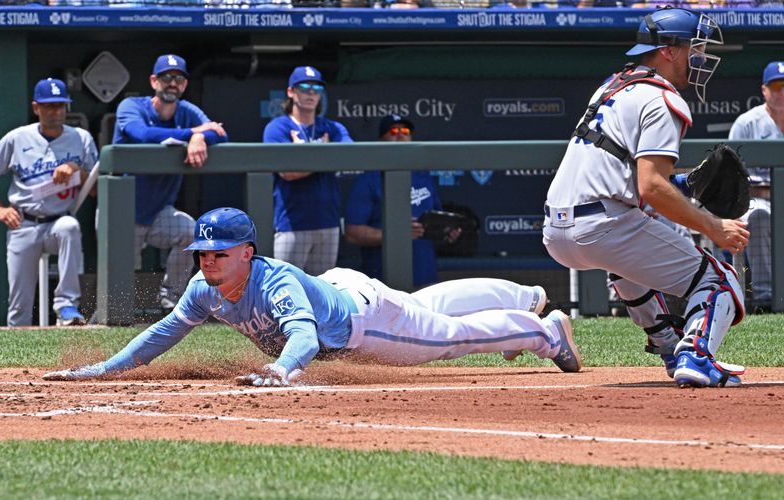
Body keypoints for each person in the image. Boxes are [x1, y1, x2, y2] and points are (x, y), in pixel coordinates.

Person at [43, 207, 580, 385]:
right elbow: (163, 333)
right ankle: (525, 297)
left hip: (362, 323)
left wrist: (282, 370)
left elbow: (301, 334)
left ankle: (543, 330)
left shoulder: (272, 280)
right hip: (344, 289)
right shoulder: (203, 288)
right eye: (202, 255)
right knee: (426, 308)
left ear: (247, 253)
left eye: (220, 254)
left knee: (447, 337)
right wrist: (102, 369)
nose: (208, 262)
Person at [543, 7, 750, 388]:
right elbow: (651, 188)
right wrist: (714, 226)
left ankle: (670, 345)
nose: (700, 58)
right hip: (603, 224)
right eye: (694, 47)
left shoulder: (614, 86)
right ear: (669, 50)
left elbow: (638, 183)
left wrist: (687, 184)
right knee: (720, 281)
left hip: (557, 230)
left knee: (629, 260)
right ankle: (697, 356)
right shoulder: (663, 100)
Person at [113, 54, 229, 310]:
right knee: (121, 276)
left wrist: (200, 139)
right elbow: (141, 134)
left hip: (158, 213)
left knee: (190, 231)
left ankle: (170, 298)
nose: (172, 83)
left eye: (178, 79)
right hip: (122, 210)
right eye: (166, 78)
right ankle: (114, 314)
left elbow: (219, 132)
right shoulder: (132, 105)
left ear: (185, 85)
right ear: (154, 81)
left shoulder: (187, 111)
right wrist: (193, 133)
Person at [0, 78, 97, 326]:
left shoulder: (81, 138)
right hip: (23, 222)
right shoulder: (17, 138)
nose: (56, 111)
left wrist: (76, 170)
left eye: (61, 105)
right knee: (18, 307)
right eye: (49, 106)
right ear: (36, 107)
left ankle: (67, 305)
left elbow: (95, 191)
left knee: (70, 226)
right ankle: (17, 363)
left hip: (57, 221)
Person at [345, 114, 456, 288]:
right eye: (393, 131)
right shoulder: (368, 180)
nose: (400, 134)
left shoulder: (423, 177)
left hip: (425, 276)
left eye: (405, 131)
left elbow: (436, 221)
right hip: (382, 281)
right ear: (381, 140)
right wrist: (395, 235)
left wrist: (447, 232)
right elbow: (353, 233)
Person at [263, 66, 352, 276]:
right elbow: (287, 172)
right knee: (285, 289)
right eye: (304, 87)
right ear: (291, 92)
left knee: (322, 294)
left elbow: (349, 155)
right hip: (292, 224)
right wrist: (325, 152)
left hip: (328, 223)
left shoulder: (332, 127)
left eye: (316, 87)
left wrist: (303, 155)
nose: (311, 92)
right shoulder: (278, 127)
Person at [727, 61, 783, 306]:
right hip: (757, 199)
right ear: (764, 90)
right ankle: (765, 295)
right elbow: (731, 176)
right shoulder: (747, 123)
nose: (783, 92)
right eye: (776, 86)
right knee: (759, 215)